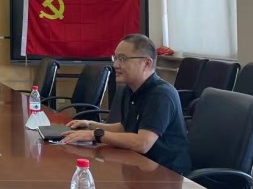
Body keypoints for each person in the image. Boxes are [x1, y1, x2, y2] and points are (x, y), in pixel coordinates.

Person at [61, 33, 191, 175]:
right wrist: (89, 124)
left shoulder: (161, 94)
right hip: (139, 165)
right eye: (115, 58)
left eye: (122, 59)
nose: (115, 65)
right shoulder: (130, 89)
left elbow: (142, 143)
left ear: (147, 63)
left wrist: (95, 134)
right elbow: (125, 127)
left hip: (167, 174)